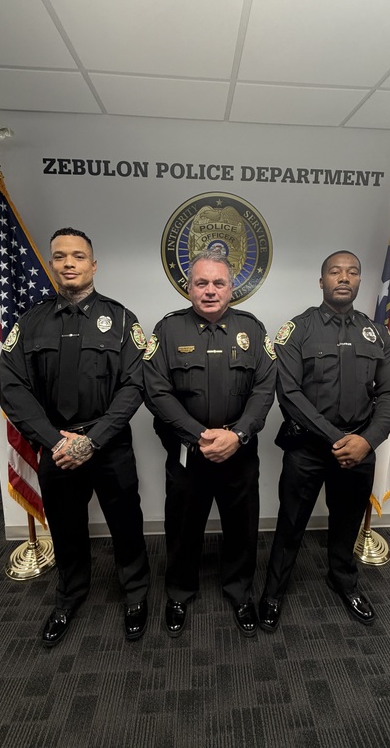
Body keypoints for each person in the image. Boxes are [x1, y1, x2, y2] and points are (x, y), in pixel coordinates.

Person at [0, 227, 150, 647]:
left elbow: (134, 386)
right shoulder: (30, 321)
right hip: (56, 446)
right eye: (61, 257)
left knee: (126, 524)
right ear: (51, 265)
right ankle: (69, 597)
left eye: (78, 256)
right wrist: (55, 440)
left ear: (93, 265)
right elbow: (12, 387)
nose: (69, 263)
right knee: (65, 527)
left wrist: (93, 440)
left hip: (108, 444)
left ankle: (136, 594)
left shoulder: (121, 320)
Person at [259, 251, 390, 630]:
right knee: (291, 524)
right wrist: (337, 438)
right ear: (321, 280)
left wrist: (367, 441)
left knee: (347, 522)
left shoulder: (378, 333)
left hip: (360, 449)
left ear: (359, 281)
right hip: (308, 447)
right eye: (335, 271)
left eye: (352, 272)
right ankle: (274, 592)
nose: (344, 277)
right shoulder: (298, 329)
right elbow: (288, 392)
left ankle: (344, 581)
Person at [143, 251, 276, 637]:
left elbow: (265, 388)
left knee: (242, 526)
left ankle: (240, 591)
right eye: (202, 283)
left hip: (239, 449)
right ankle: (179, 592)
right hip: (189, 453)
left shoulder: (252, 329)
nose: (210, 290)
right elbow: (156, 391)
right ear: (189, 288)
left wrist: (237, 435)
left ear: (232, 288)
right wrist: (197, 435)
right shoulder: (168, 331)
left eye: (218, 283)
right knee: (183, 527)